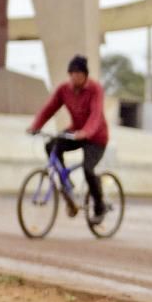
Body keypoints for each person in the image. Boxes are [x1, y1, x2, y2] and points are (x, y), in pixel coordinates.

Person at [28, 55, 111, 224]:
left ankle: (100, 206)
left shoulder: (95, 89)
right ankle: (68, 186)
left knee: (88, 169)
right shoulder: (64, 89)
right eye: (72, 73)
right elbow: (49, 109)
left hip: (96, 137)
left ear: (85, 75)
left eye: (79, 74)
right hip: (76, 132)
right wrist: (36, 126)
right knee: (51, 146)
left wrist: (86, 132)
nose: (75, 77)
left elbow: (96, 115)